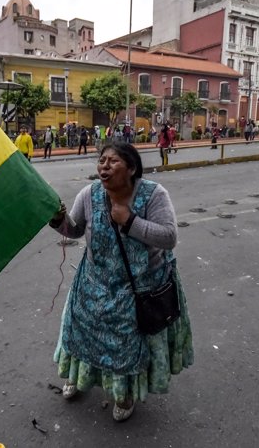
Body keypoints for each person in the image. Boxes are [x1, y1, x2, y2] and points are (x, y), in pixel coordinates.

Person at [49, 140, 193, 422]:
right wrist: (57, 220)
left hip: (139, 289)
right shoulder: (89, 195)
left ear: (131, 168)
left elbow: (169, 237)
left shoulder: (153, 195)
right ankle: (79, 379)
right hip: (93, 284)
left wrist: (130, 222)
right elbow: (75, 229)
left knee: (126, 347)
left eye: (113, 161)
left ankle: (123, 394)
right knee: (81, 335)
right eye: (102, 160)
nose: (104, 165)